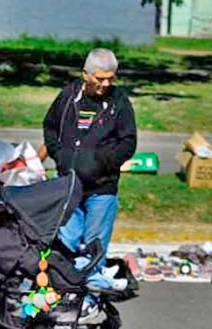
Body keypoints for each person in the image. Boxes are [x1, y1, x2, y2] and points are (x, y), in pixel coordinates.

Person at [43, 48, 138, 271]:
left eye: (110, 79)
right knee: (67, 243)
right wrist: (60, 156)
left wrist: (105, 163)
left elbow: (128, 142)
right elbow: (49, 127)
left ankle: (91, 296)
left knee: (94, 247)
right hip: (69, 184)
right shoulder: (68, 96)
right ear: (85, 74)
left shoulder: (119, 102)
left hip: (102, 189)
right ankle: (66, 292)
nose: (105, 84)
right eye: (100, 78)